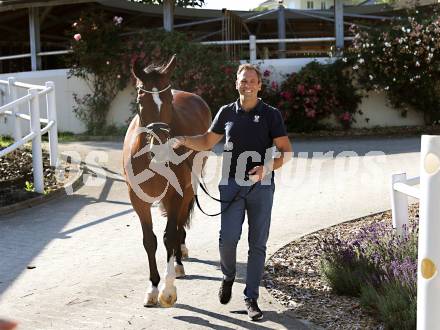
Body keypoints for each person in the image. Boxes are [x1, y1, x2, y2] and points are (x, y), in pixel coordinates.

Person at [171, 63, 292, 321]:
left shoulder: (271, 114)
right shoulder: (226, 112)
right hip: (231, 185)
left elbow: (287, 151)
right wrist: (181, 139)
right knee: (227, 239)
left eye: (251, 81)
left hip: (261, 187)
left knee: (257, 244)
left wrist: (267, 168)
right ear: (236, 84)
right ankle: (227, 276)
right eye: (242, 80)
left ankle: (251, 298)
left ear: (259, 85)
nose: (247, 85)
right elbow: (205, 141)